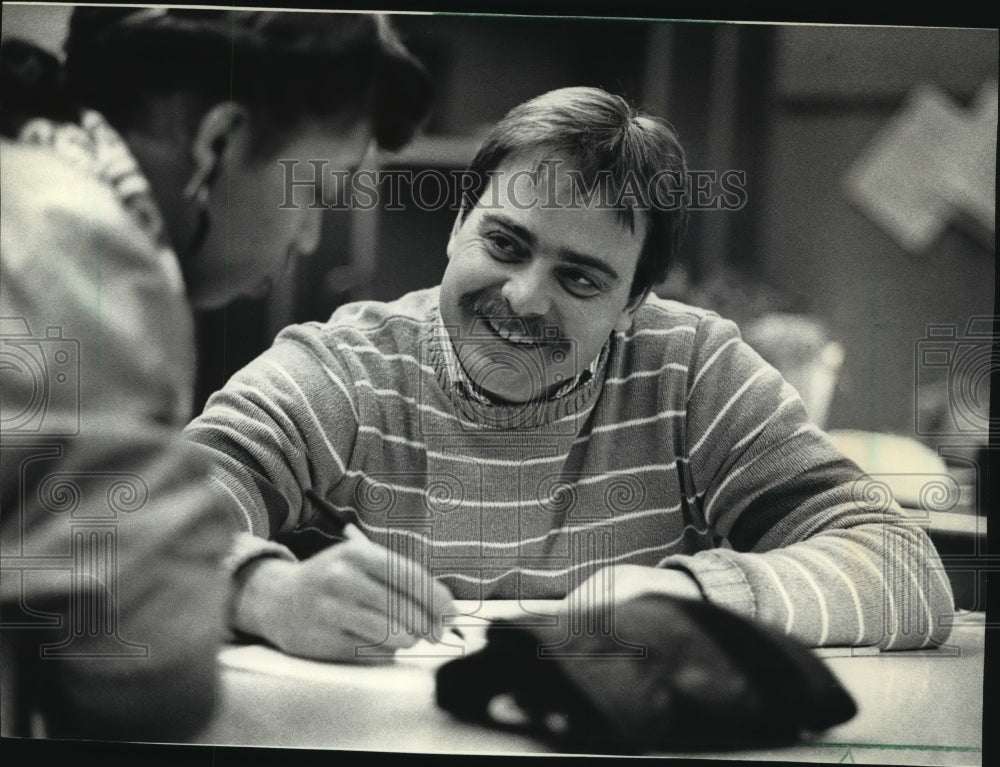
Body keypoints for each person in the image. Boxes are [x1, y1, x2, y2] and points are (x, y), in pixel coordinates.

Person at [184, 86, 954, 663]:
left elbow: (906, 568)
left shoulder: (691, 370)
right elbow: (122, 519)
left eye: (581, 280)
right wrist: (263, 590)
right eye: (507, 244)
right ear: (458, 226)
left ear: (633, 303)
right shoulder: (343, 372)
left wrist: (694, 596)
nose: (524, 299)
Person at [0, 7, 431, 739]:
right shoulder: (88, 261)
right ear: (219, 141)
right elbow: (146, 684)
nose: (308, 237)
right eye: (316, 195)